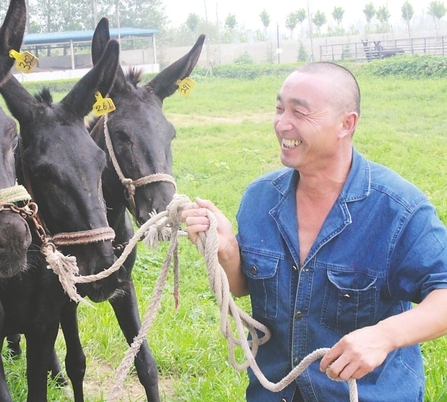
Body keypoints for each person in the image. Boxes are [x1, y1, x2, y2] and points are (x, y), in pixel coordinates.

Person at [181, 62, 447, 401]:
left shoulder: (399, 208)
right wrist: (227, 250)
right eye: (279, 109)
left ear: (345, 124)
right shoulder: (259, 198)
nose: (282, 123)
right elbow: (245, 287)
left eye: (299, 112)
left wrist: (384, 336)